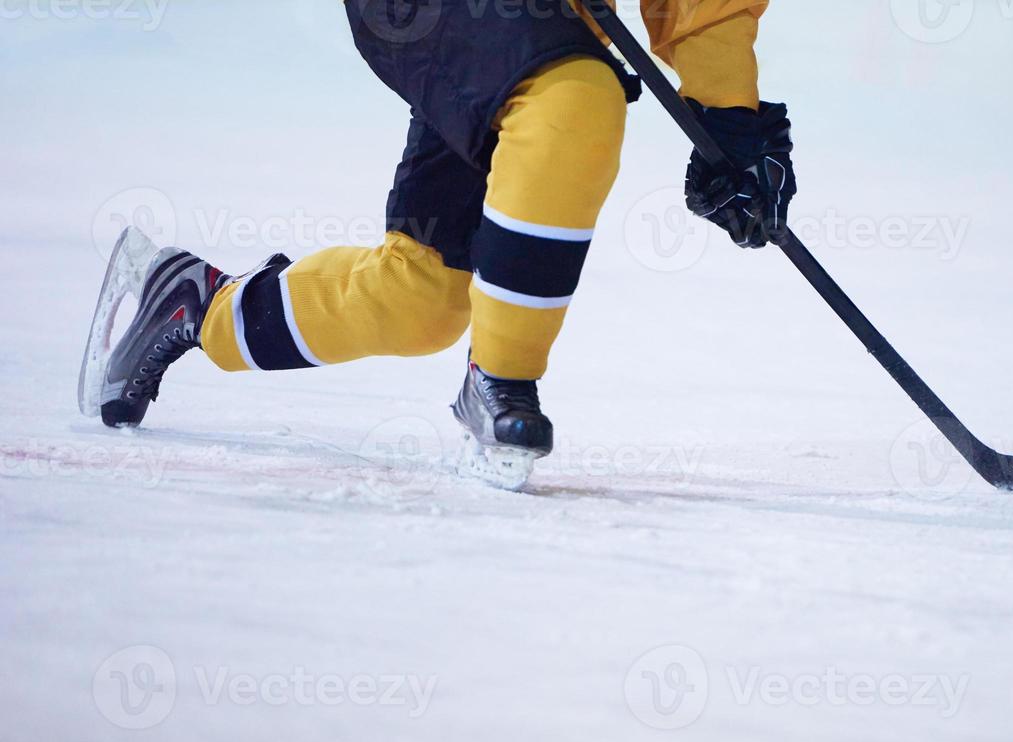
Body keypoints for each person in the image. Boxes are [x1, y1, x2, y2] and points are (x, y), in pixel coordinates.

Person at [80, 0, 796, 490]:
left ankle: (194, 305)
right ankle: (502, 379)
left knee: (422, 296)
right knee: (574, 97)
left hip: (539, 23)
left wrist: (725, 110)